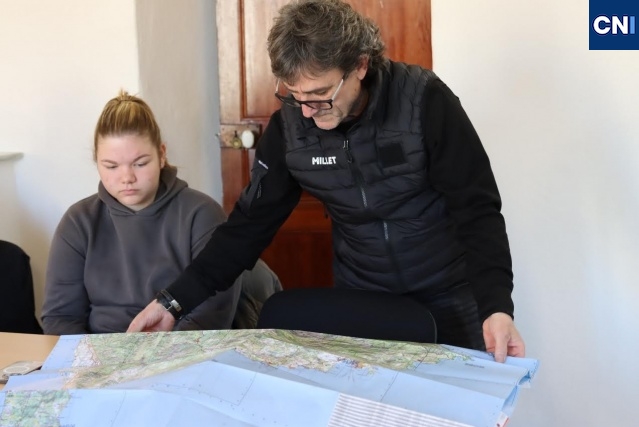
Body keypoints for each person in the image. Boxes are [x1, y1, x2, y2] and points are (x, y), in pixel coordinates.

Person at [128, 0, 525, 362]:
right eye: (295, 95)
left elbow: (477, 210)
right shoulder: (290, 129)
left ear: (360, 66)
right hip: (365, 298)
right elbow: (247, 228)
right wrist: (173, 302)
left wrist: (496, 307)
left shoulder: (425, 102)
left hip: (450, 292)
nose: (306, 111)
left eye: (320, 94)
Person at [41, 90, 280, 335]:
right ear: (97, 162)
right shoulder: (78, 222)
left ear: (162, 155)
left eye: (140, 163)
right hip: (98, 352)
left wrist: (160, 354)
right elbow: (61, 317)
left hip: (182, 349)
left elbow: (211, 314)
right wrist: (87, 357)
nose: (127, 177)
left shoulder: (201, 214)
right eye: (111, 166)